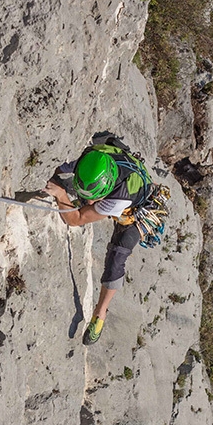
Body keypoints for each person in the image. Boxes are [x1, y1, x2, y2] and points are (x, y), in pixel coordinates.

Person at [44, 135, 158, 345]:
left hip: (136, 210)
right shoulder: (90, 158)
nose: (87, 201)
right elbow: (61, 168)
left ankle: (100, 313)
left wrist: (61, 194)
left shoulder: (118, 199)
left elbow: (76, 219)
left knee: (117, 255)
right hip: (120, 169)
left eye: (92, 198)